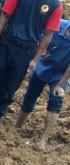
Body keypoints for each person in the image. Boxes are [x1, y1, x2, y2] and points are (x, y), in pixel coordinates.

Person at [16, 19, 70, 149]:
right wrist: (35, 61)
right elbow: (41, 40)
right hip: (43, 67)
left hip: (61, 74)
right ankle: (17, 126)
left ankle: (43, 140)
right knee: (30, 96)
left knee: (55, 102)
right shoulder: (58, 25)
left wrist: (59, 85)